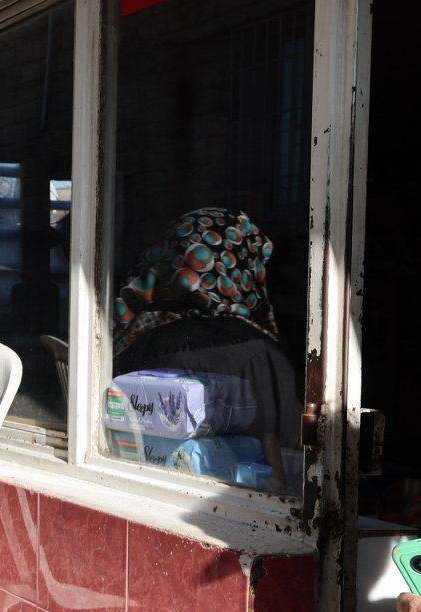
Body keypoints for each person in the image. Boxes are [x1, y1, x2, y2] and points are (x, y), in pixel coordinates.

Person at [112, 207, 299, 491]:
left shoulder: (132, 337)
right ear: (243, 269)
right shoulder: (260, 353)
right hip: (239, 502)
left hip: (137, 485)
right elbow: (293, 443)